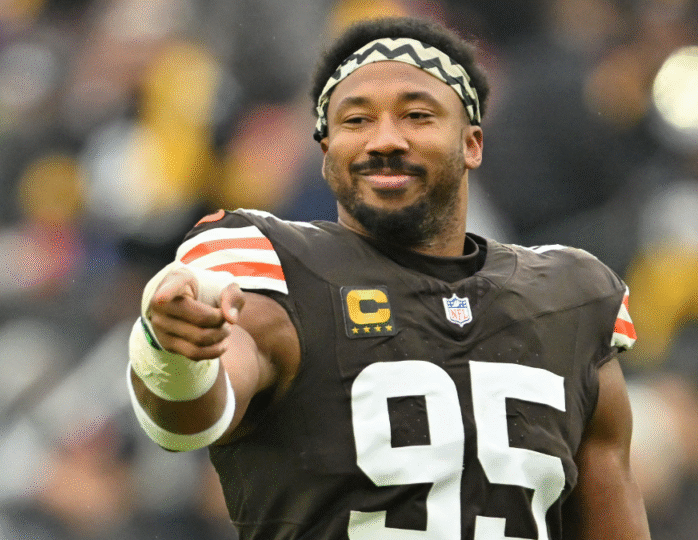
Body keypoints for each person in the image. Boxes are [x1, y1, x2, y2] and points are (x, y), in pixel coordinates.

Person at [127, 16, 651, 540]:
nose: (384, 140)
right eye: (356, 121)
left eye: (417, 116)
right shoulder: (273, 264)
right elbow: (188, 417)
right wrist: (172, 353)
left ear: (472, 144)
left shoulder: (572, 296)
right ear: (326, 150)